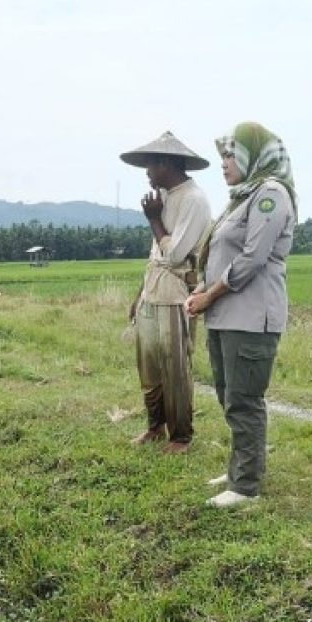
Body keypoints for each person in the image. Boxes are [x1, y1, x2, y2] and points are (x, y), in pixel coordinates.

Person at [184, 122, 297, 508]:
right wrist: (202, 291)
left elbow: (251, 259)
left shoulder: (271, 195)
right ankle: (240, 467)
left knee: (245, 400)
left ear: (253, 156)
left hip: (250, 319)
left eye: (231, 156)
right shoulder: (241, 199)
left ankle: (246, 486)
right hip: (225, 315)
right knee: (228, 396)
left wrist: (208, 297)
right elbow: (223, 257)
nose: (224, 164)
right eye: (223, 157)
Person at [120, 132, 212, 454]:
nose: (146, 170)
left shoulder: (193, 200)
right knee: (148, 365)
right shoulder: (162, 196)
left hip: (176, 294)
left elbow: (173, 255)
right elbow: (154, 256)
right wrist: (139, 295)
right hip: (152, 291)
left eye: (150, 164)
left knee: (175, 366)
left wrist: (154, 219)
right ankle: (155, 427)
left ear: (166, 163)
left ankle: (181, 436)